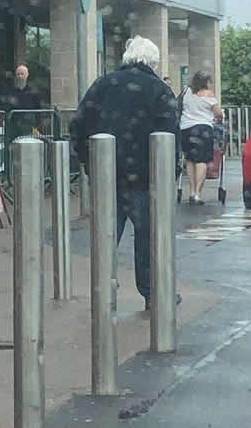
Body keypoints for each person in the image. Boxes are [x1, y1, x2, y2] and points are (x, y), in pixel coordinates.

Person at [70, 35, 180, 311]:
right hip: (145, 175)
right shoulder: (159, 90)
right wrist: (171, 172)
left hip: (107, 173)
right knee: (148, 238)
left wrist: (87, 160)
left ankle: (102, 289)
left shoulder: (103, 84)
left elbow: (78, 123)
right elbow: (170, 135)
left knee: (106, 235)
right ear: (152, 61)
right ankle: (152, 293)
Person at [179, 71, 223, 205]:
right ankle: (198, 193)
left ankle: (191, 191)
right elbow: (218, 113)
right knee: (201, 161)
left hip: (186, 129)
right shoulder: (208, 94)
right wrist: (219, 116)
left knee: (190, 160)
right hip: (203, 130)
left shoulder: (186, 92)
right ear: (205, 82)